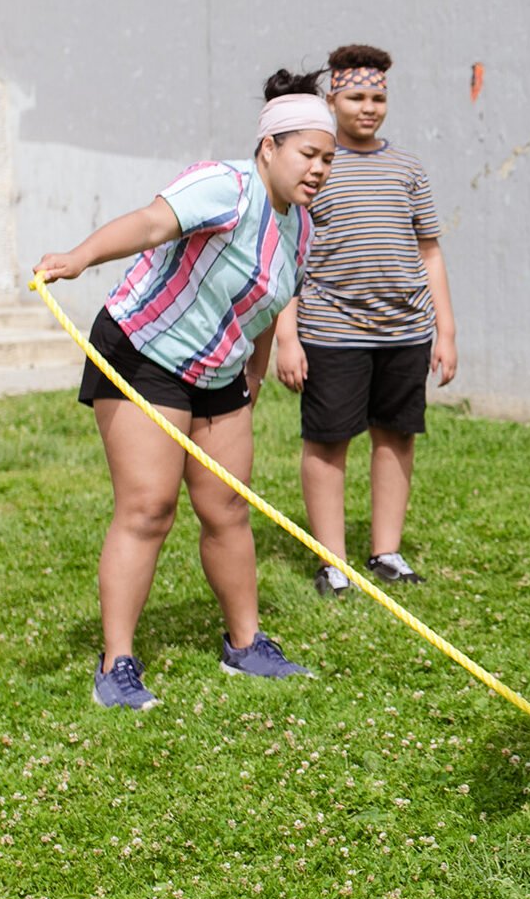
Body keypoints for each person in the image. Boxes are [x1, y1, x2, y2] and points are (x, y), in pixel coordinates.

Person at [33, 69, 334, 709]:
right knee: (149, 508)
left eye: (327, 159)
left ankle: (245, 645)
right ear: (270, 147)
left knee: (227, 508)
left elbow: (264, 307)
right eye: (308, 154)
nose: (318, 169)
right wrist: (80, 257)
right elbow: (149, 225)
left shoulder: (302, 229)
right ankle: (116, 664)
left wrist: (254, 374)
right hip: (145, 352)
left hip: (219, 373)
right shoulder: (224, 185)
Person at [273, 43, 457, 598]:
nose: (368, 108)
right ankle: (332, 562)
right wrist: (287, 336)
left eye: (377, 98)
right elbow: (286, 253)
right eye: (355, 97)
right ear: (332, 101)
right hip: (331, 333)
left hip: (406, 332)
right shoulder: (315, 167)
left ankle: (386, 552)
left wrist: (445, 330)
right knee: (327, 442)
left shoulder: (408, 168)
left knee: (396, 436)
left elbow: (429, 251)